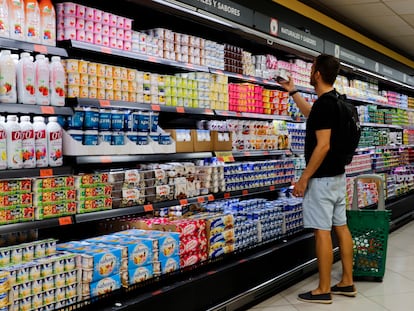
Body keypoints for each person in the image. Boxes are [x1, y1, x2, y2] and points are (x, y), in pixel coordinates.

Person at [278, 54, 357, 304]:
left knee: (321, 232)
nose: (311, 72)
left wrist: (303, 179)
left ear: (318, 74)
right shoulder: (338, 102)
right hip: (337, 177)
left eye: (312, 69)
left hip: (321, 180)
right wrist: (293, 92)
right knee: (341, 228)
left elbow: (322, 146)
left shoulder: (325, 104)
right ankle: (347, 282)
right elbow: (313, 115)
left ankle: (323, 289)